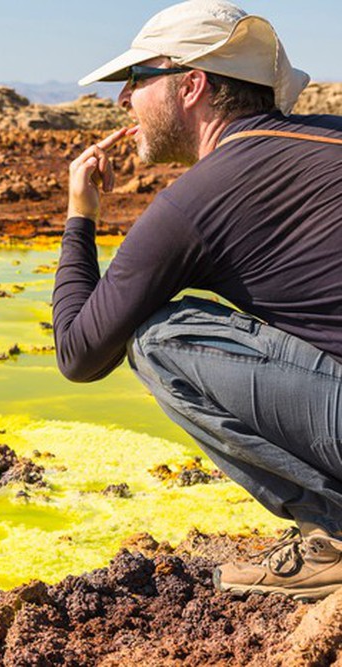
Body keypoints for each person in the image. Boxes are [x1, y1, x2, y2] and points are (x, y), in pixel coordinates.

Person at [52, 0, 342, 600]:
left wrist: (81, 217)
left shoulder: (196, 200)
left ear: (192, 85)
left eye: (135, 80)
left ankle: (334, 534)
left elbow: (79, 354)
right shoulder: (328, 138)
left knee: (160, 340)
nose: (121, 100)